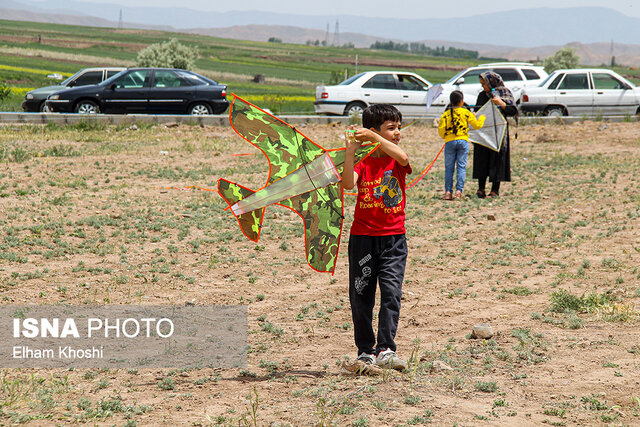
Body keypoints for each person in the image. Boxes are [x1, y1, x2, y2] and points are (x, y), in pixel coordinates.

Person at [342, 104, 412, 372]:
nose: (397, 132)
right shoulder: (363, 160)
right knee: (361, 295)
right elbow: (348, 183)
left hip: (394, 239)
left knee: (392, 293)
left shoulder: (396, 158)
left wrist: (377, 138)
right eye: (390, 128)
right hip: (362, 239)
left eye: (398, 127)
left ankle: (386, 349)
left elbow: (403, 157)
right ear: (373, 131)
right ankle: (365, 352)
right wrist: (350, 153)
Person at [472, 71, 518, 198]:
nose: (483, 87)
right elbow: (478, 110)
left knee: (497, 158)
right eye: (481, 84)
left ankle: (494, 190)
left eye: (484, 84)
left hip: (499, 132)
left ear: (491, 82)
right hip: (484, 131)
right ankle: (481, 188)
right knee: (482, 158)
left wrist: (501, 104)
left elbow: (512, 110)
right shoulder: (482, 95)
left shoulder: (505, 93)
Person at [438, 90, 485, 200]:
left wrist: (448, 136)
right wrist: (481, 117)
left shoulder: (445, 115)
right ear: (461, 102)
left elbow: (441, 132)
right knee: (461, 167)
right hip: (463, 142)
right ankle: (459, 191)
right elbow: (477, 125)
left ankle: (448, 192)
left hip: (449, 142)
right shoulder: (466, 113)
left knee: (449, 168)